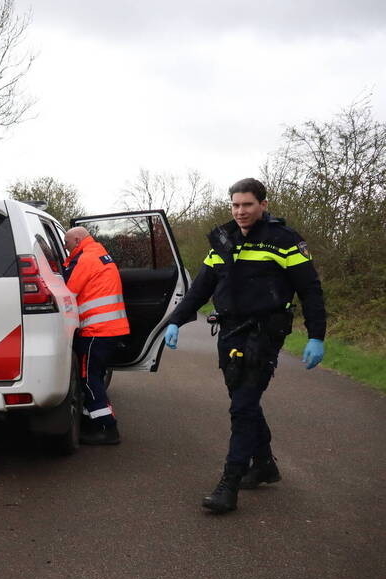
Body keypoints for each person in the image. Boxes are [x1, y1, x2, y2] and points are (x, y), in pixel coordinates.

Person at [163, 178, 326, 514]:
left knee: (242, 407)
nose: (240, 211)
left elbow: (310, 290)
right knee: (243, 400)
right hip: (230, 331)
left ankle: (229, 483)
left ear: (263, 205)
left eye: (247, 204)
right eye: (235, 205)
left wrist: (316, 336)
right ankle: (264, 463)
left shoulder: (285, 241)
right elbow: (200, 290)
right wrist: (175, 321)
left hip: (265, 333)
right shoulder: (222, 241)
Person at [62, 226, 130, 445]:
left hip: (96, 330)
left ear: (77, 239)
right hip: (109, 329)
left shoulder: (85, 259)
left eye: (67, 244)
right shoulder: (98, 253)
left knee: (89, 380)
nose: (66, 249)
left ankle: (107, 429)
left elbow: (68, 290)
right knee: (95, 378)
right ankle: (92, 423)